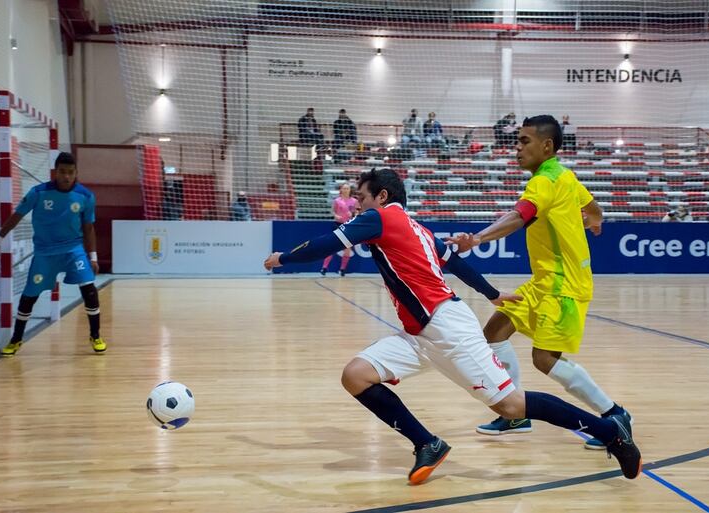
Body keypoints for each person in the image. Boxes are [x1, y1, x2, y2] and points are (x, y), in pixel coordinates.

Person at [264, 167, 641, 485]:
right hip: (420, 331)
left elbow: (326, 244)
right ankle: (427, 443)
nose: (356, 204)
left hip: (446, 328)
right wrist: (492, 294)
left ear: (380, 196)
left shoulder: (379, 218)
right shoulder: (418, 228)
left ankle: (610, 433)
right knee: (356, 375)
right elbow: (453, 261)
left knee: (511, 406)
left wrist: (282, 258)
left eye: (360, 197)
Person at [447, 115, 631, 450]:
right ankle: (516, 413)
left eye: (525, 141)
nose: (517, 148)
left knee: (544, 359)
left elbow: (519, 216)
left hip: (564, 284)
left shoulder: (544, 181)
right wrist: (596, 219)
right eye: (517, 141)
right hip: (546, 280)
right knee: (495, 331)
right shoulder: (564, 174)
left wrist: (476, 240)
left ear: (547, 146)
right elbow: (592, 206)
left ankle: (614, 414)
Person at [0, 152, 106, 356]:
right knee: (29, 296)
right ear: (55, 172)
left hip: (73, 250)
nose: (66, 177)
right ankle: (16, 339)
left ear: (76, 173)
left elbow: (88, 228)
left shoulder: (86, 196)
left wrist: (93, 257)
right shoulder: (38, 192)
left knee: (89, 288)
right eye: (62, 172)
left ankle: (95, 335)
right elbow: (17, 216)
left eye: (70, 173)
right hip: (45, 252)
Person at [320, 183, 358, 276]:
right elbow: (332, 211)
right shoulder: (337, 200)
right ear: (341, 190)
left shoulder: (354, 201)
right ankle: (324, 268)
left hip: (348, 226)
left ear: (350, 190)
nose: (345, 190)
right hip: (337, 224)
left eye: (347, 188)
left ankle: (342, 269)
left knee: (347, 248)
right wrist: (335, 215)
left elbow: (356, 211)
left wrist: (353, 214)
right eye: (344, 188)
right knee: (332, 247)